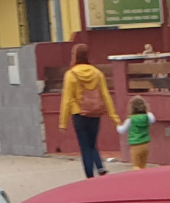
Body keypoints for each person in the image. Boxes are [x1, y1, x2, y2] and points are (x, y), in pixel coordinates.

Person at [58, 43, 113, 178]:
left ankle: (89, 177)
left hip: (79, 114)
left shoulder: (70, 74)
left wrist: (63, 122)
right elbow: (105, 94)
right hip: (94, 112)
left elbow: (66, 100)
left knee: (84, 147)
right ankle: (100, 167)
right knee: (92, 143)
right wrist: (114, 116)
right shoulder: (97, 73)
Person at [123, 96, 154, 170]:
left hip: (135, 144)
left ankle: (137, 177)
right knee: (143, 165)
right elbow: (153, 119)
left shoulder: (131, 119)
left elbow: (122, 129)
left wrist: (117, 126)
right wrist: (148, 111)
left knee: (136, 165)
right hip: (145, 144)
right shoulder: (147, 117)